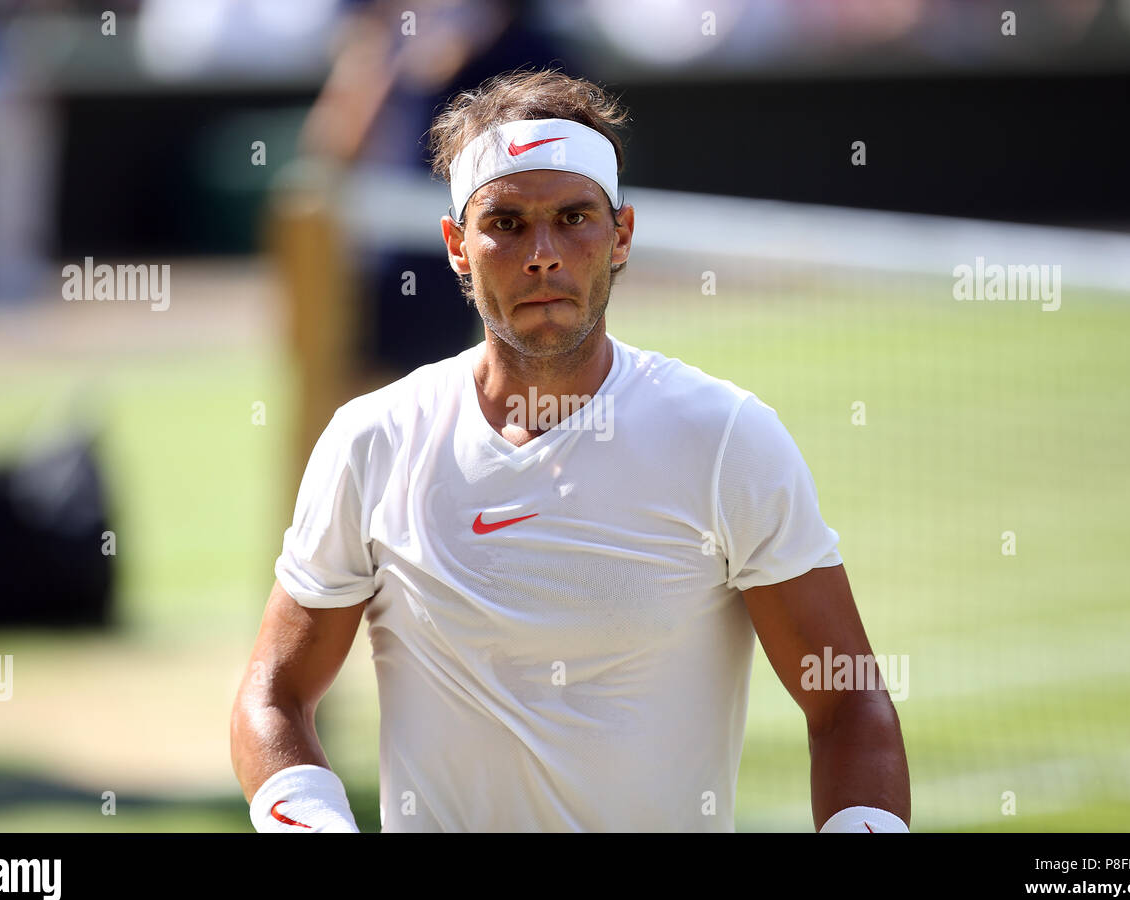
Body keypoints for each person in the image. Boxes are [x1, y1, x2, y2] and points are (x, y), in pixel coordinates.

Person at [231, 68, 910, 833]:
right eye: (508, 223)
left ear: (620, 235)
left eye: (574, 218)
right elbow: (271, 694)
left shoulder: (727, 438)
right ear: (457, 245)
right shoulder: (372, 440)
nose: (543, 253)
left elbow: (848, 700)